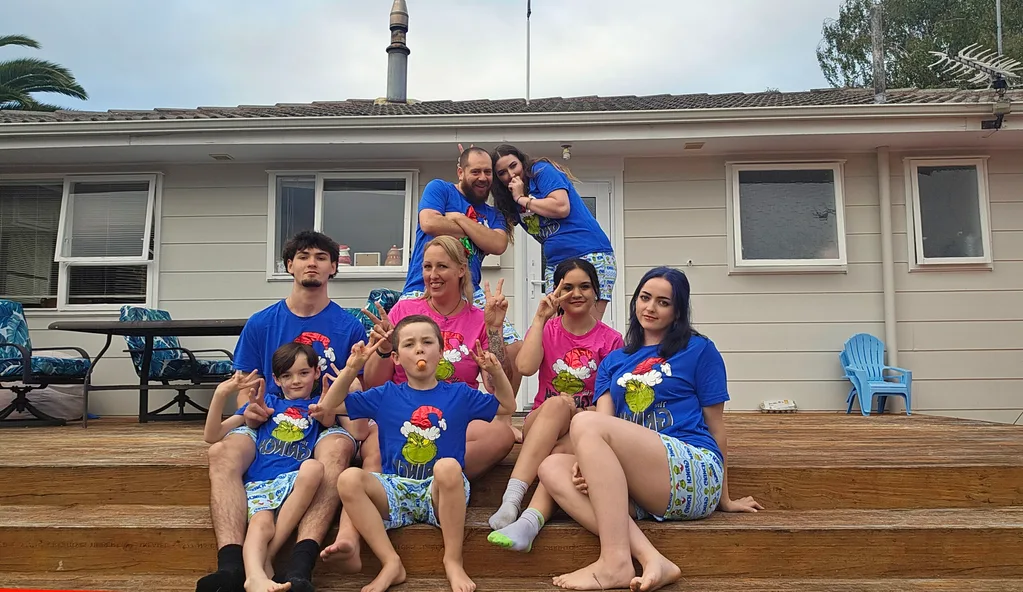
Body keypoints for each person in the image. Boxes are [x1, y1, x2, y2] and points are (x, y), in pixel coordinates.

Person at [536, 266, 763, 592]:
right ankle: (651, 557)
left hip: (691, 467)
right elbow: (605, 423)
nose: (650, 308)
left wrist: (724, 499)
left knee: (583, 421)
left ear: (678, 310)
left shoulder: (699, 350)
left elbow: (716, 426)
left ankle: (615, 562)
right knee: (551, 467)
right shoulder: (614, 361)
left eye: (663, 302)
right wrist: (585, 465)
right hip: (642, 485)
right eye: (644, 298)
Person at [319, 235, 517, 570]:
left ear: (461, 271)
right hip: (399, 410)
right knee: (379, 450)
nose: (433, 274)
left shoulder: (476, 317)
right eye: (427, 266)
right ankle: (351, 536)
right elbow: (375, 382)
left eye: (442, 266)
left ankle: (439, 486)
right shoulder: (405, 310)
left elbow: (502, 387)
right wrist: (381, 350)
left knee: (503, 434)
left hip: (455, 410)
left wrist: (494, 331)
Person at [197, 230, 369, 592]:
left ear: (333, 268)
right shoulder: (262, 323)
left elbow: (357, 391)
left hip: (323, 422)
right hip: (267, 417)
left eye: (322, 257)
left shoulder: (350, 327)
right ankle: (230, 566)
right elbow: (245, 384)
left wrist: (332, 410)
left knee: (337, 451)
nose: (312, 263)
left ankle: (299, 567)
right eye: (303, 256)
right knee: (222, 450)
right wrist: (252, 409)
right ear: (290, 265)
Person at [312, 314, 516, 592]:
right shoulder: (386, 394)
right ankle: (390, 562)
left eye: (427, 342)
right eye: (409, 344)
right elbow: (330, 406)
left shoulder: (460, 394)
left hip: (439, 492)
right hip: (397, 490)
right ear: (395, 357)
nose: (419, 349)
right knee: (349, 478)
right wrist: (351, 369)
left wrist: (497, 372)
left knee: (447, 467)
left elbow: (507, 405)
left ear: (441, 352)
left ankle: (453, 560)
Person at [487, 258, 623, 553]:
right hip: (543, 422)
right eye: (568, 287)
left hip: (581, 429)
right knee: (558, 406)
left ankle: (528, 521)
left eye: (585, 286)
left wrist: (580, 412)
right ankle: (512, 497)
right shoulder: (548, 330)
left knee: (561, 451)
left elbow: (610, 402)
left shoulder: (611, 341)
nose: (577, 294)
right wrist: (539, 319)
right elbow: (524, 366)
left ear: (596, 292)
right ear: (555, 293)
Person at [204, 344, 328, 592]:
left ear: (316, 372)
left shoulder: (319, 407)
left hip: (294, 484)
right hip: (262, 481)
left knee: (314, 467)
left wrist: (335, 392)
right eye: (286, 375)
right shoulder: (267, 402)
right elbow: (212, 434)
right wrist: (221, 394)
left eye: (303, 373)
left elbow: (338, 418)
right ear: (275, 379)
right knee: (261, 523)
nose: (295, 381)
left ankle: (264, 562)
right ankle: (254, 576)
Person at [401, 146, 523, 391]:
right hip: (423, 286)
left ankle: (500, 412)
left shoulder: (493, 213)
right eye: (475, 171)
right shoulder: (440, 189)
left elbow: (498, 244)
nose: (482, 177)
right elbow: (429, 222)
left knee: (513, 348)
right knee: (411, 343)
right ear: (460, 172)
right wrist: (479, 232)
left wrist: (459, 219)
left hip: (469, 291)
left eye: (488, 172)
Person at [490, 144, 617, 321]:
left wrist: (522, 198)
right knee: (555, 326)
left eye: (513, 166)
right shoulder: (509, 200)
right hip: (556, 263)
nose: (511, 175)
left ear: (522, 162)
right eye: (502, 172)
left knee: (586, 326)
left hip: (590, 253)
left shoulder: (540, 171)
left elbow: (561, 206)